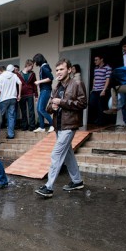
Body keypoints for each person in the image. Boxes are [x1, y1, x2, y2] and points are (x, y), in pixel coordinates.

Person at [36, 58, 86, 198]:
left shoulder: (77, 83)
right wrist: (52, 106)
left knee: (56, 154)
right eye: (57, 70)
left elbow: (83, 103)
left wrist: (62, 102)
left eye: (61, 69)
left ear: (69, 70)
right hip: (59, 126)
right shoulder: (56, 87)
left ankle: (49, 187)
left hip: (70, 125)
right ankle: (77, 181)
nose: (58, 72)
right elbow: (48, 108)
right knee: (68, 154)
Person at [0, 64, 21, 139]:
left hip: (3, 99)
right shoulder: (14, 75)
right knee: (11, 117)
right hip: (13, 98)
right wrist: (19, 94)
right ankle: (11, 134)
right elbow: (20, 83)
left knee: (0, 116)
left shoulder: (1, 77)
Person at [33, 53, 55, 133]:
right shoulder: (43, 67)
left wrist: (39, 81)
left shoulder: (44, 67)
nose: (35, 63)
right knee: (38, 109)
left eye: (35, 61)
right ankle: (42, 127)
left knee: (41, 109)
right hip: (43, 90)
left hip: (46, 90)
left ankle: (52, 124)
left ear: (38, 60)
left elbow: (51, 77)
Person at [88, 55, 112, 126]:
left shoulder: (108, 68)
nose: (95, 61)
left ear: (101, 59)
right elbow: (94, 78)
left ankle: (101, 122)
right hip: (95, 89)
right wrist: (93, 88)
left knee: (101, 106)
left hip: (102, 89)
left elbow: (108, 79)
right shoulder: (96, 68)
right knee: (92, 104)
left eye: (96, 60)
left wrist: (104, 90)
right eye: (94, 60)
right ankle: (95, 120)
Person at [18, 59, 37, 131]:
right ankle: (24, 126)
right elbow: (17, 85)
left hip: (30, 93)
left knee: (31, 110)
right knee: (23, 111)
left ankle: (32, 126)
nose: (32, 68)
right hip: (22, 95)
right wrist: (18, 95)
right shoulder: (19, 74)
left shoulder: (32, 74)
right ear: (28, 65)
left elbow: (34, 85)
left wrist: (36, 95)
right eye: (32, 66)